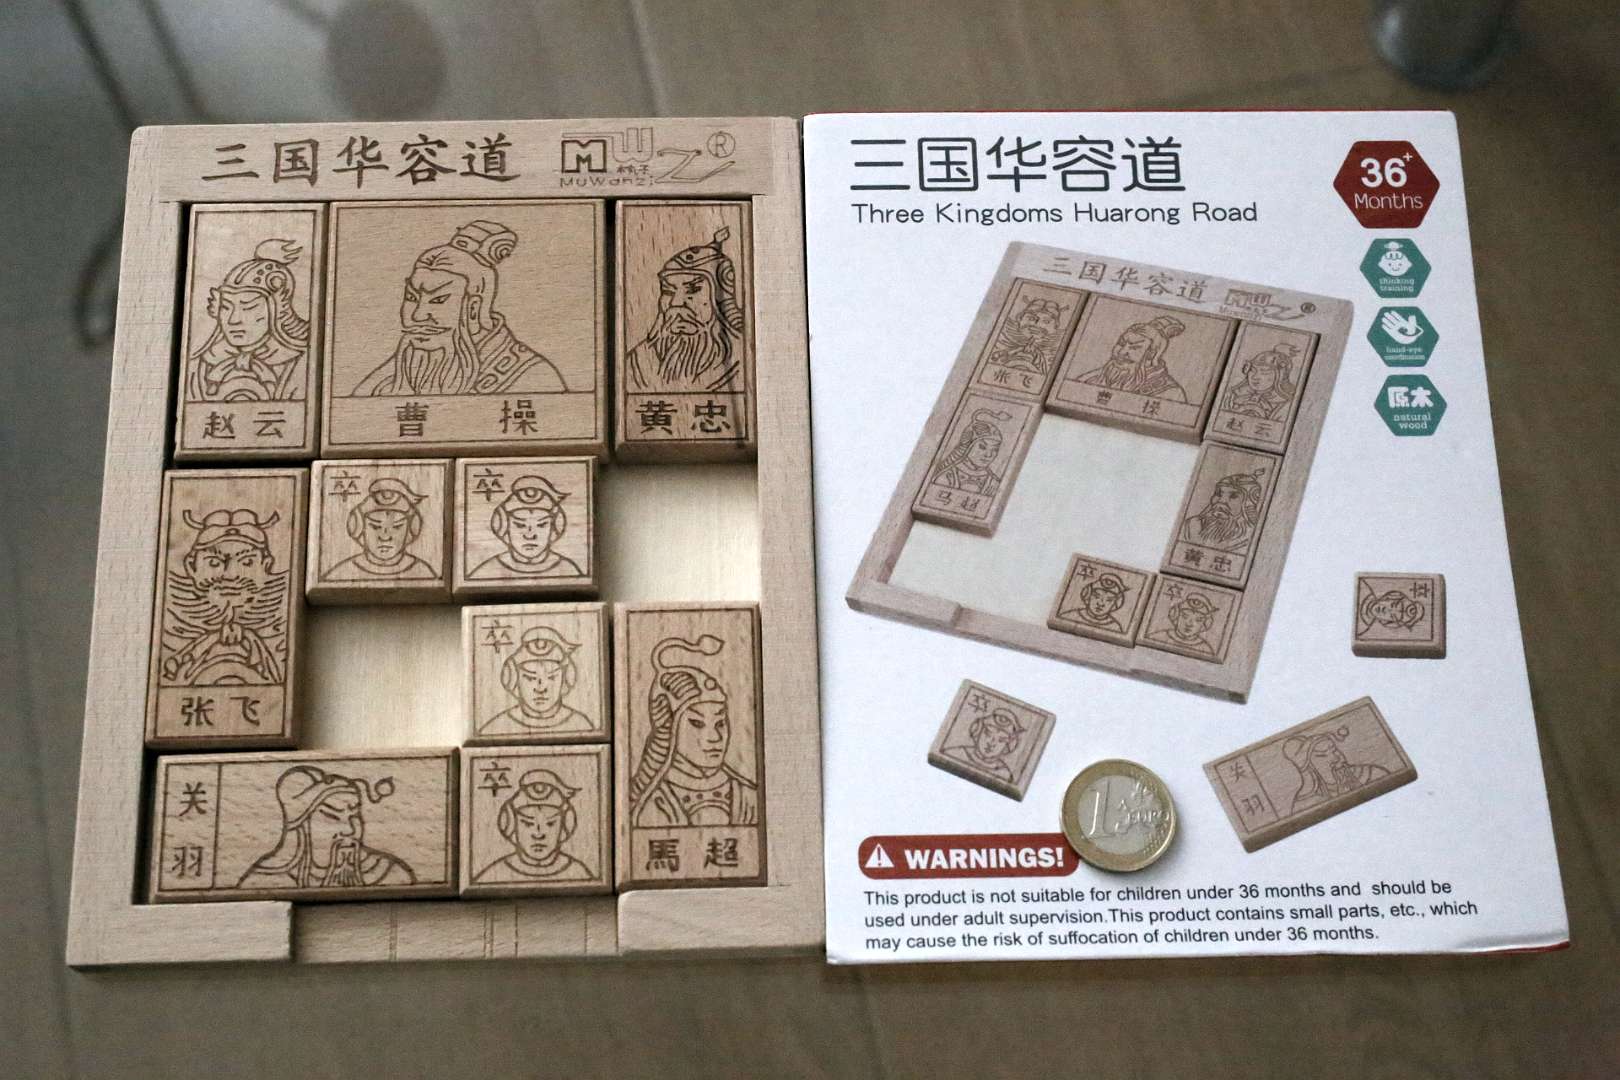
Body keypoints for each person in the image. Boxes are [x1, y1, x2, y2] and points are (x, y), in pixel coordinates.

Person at [353, 220, 565, 396]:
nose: (417, 315)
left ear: (474, 309)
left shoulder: (532, 377)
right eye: (411, 297)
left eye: (438, 300)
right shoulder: (394, 372)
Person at [629, 635, 758, 828]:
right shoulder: (654, 804)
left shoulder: (748, 797)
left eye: (720, 723)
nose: (715, 738)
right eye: (697, 723)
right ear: (669, 728)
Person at [159, 507, 288, 685]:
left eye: (247, 562)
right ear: (191, 567)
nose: (229, 575)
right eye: (214, 562)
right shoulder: (169, 625)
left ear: (266, 565)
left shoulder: (280, 630)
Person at [238, 766, 414, 889]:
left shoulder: (387, 872)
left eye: (354, 815)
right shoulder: (265, 880)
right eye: (332, 817)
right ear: (302, 825)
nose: (350, 830)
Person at [625, 227, 746, 393]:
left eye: (693, 289)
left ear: (719, 297)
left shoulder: (744, 361)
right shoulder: (638, 363)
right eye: (668, 291)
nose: (676, 303)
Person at [187, 239, 309, 402]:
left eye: (248, 307)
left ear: (276, 309)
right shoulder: (200, 366)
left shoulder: (300, 365)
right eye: (226, 307)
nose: (234, 320)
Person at [473, 769, 594, 883]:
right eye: (527, 823)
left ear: (565, 827)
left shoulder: (579, 872)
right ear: (511, 826)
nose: (538, 834)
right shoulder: (492, 874)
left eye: (550, 823)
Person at [467, 475, 582, 580]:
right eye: (520, 525)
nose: (530, 535)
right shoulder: (486, 571)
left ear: (554, 528)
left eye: (541, 525)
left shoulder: (569, 569)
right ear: (504, 527)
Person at [486, 626, 593, 736]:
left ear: (565, 680)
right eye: (530, 678)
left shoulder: (582, 724)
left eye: (551, 677)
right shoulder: (494, 728)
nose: (540, 689)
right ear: (513, 680)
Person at [326, 477, 438, 580]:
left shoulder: (424, 572)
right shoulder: (340, 573)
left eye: (397, 527)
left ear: (411, 529)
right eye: (375, 527)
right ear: (358, 528)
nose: (385, 536)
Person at [1075, 313, 1188, 400]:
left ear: (1152, 355)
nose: (1122, 352)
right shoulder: (1088, 378)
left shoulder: (1169, 392)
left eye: (1135, 347)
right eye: (1121, 343)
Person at [1283, 728, 1391, 814]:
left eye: (1334, 750)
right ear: (1309, 768)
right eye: (1322, 755)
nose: (1336, 757)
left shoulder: (1371, 774)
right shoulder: (1305, 803)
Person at [929, 408, 1010, 495]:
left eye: (994, 450)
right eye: (982, 447)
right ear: (967, 446)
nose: (989, 455)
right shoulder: (948, 476)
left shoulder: (993, 483)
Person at [1179, 472, 1266, 551]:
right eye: (1219, 494)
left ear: (1247, 504)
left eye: (1233, 496)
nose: (1221, 501)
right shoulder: (1191, 524)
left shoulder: (1247, 538)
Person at [940, 707, 1026, 784]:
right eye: (988, 734)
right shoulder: (954, 753)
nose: (992, 743)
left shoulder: (1004, 774)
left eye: (1001, 740)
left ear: (1008, 746)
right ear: (978, 731)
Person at [1221, 343, 1300, 420]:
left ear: (1280, 376)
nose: (1255, 377)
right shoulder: (1232, 396)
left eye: (1264, 372)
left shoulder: (1284, 406)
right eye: (1252, 370)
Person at [989, 296, 1065, 373]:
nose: (1037, 324)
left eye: (1046, 322)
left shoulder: (1040, 355)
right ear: (1020, 319)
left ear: (1055, 328)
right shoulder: (1003, 342)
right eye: (1031, 318)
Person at [1144, 592, 1221, 656]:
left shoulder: (1206, 649)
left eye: (1198, 620)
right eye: (1185, 616)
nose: (1189, 624)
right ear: (1176, 615)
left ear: (1204, 624)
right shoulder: (1157, 636)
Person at [1058, 571, 1131, 634]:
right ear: (1088, 595)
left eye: (1109, 600)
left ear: (1115, 604)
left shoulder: (1115, 626)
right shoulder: (1069, 616)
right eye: (1096, 596)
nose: (1101, 603)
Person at [1360, 588, 1424, 632]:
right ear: (1387, 598)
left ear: (1386, 622)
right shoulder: (1365, 587)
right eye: (1392, 605)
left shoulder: (1363, 629)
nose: (1386, 610)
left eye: (1392, 616)